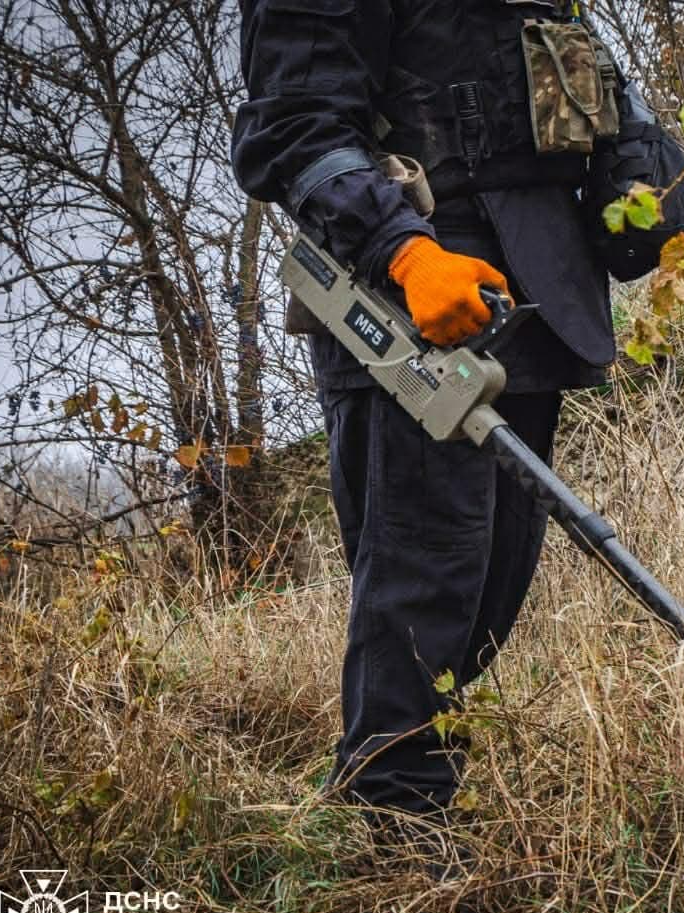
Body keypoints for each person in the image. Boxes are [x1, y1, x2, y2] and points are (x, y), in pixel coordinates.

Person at [231, 1, 620, 828]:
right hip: (409, 296)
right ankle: (395, 832)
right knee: (425, 580)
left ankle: (410, 799)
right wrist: (404, 251)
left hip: (530, 289)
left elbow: (579, 65)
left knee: (489, 592)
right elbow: (294, 122)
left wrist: (641, 166)